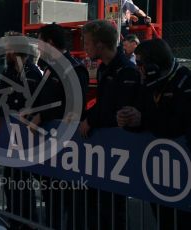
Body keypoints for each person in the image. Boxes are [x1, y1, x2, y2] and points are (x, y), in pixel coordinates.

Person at [117, 38, 191, 230]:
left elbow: (178, 124)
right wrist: (129, 120)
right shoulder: (149, 83)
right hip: (158, 176)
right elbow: (142, 115)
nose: (138, 68)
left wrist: (143, 120)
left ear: (153, 66)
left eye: (141, 63)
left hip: (182, 177)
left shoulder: (185, 82)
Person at [79, 19, 141, 229]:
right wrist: (86, 117)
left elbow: (118, 111)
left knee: (114, 211)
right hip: (103, 151)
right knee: (98, 207)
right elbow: (103, 104)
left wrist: (92, 119)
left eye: (87, 42)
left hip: (119, 154)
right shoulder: (105, 68)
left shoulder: (126, 70)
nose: (84, 47)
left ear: (100, 44)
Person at [30, 23, 89, 229]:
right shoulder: (50, 68)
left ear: (50, 43)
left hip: (67, 150)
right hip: (48, 147)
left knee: (69, 203)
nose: (37, 47)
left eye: (40, 42)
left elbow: (73, 105)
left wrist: (42, 115)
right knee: (51, 199)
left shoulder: (73, 67)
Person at [0, 31, 42, 230]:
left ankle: (27, 221)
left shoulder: (33, 72)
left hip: (27, 137)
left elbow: (39, 102)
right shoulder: (9, 72)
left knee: (24, 182)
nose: (5, 51)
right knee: (10, 180)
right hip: (10, 136)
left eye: (8, 47)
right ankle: (14, 216)